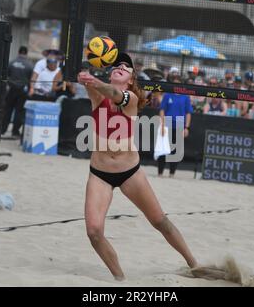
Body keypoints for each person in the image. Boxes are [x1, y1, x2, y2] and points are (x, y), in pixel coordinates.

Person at [76, 52, 203, 281]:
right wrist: (84, 75)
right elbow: (92, 84)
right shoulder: (97, 94)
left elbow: (115, 94)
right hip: (100, 174)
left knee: (159, 221)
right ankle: (120, 279)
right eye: (117, 65)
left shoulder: (130, 100)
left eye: (126, 67)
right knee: (94, 232)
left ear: (131, 80)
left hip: (129, 173)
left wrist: (93, 80)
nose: (121, 66)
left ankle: (194, 264)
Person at [158, 71, 193, 178]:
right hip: (167, 122)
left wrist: (186, 127)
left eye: (178, 82)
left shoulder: (185, 96)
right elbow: (162, 110)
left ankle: (171, 174)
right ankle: (160, 173)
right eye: (175, 82)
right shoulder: (167, 94)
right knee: (163, 150)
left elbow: (188, 113)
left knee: (175, 151)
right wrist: (162, 125)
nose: (176, 84)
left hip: (179, 124)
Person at [2, 46, 34, 137]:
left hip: (11, 90)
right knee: (19, 112)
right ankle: (15, 132)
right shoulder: (30, 65)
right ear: (26, 53)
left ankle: (3, 130)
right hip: (23, 91)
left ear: (18, 52)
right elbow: (31, 79)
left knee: (7, 110)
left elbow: (6, 76)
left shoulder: (12, 62)